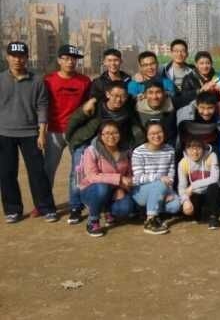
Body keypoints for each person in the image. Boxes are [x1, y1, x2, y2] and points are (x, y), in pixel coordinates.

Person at [65, 81, 142, 224]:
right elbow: (75, 120)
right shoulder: (96, 106)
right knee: (77, 174)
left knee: (109, 173)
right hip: (87, 142)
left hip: (111, 144)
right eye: (115, 95)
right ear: (107, 95)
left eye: (122, 96)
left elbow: (135, 127)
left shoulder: (127, 109)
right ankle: (75, 207)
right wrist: (71, 139)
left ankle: (107, 206)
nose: (118, 99)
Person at [0, 42, 58, 223]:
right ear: (7, 57)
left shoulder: (37, 80)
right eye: (13, 56)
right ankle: (13, 210)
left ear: (26, 58)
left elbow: (42, 106)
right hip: (4, 133)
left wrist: (42, 133)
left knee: (38, 173)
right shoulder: (1, 79)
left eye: (21, 56)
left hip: (31, 134)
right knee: (7, 173)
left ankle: (46, 208)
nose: (17, 60)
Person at [43, 45, 91, 215]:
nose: (70, 62)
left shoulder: (85, 81)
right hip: (54, 131)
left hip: (76, 132)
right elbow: (41, 106)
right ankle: (44, 204)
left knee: (78, 170)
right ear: (59, 60)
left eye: (73, 59)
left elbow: (88, 106)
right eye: (66, 58)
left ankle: (76, 204)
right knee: (48, 169)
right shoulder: (48, 81)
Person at [77, 121, 133, 237]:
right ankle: (93, 220)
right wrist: (119, 179)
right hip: (92, 190)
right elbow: (92, 176)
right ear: (100, 135)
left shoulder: (127, 151)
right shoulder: (91, 151)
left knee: (126, 208)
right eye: (107, 133)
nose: (111, 136)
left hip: (115, 190)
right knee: (102, 187)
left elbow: (130, 174)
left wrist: (122, 187)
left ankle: (107, 210)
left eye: (115, 133)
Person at [128, 122, 181, 235]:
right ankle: (150, 220)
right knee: (159, 184)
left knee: (175, 205)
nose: (156, 136)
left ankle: (150, 208)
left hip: (162, 188)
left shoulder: (170, 150)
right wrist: (159, 178)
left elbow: (171, 175)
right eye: (152, 133)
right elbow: (138, 178)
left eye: (159, 132)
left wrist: (168, 191)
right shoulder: (138, 152)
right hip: (141, 191)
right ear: (146, 135)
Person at [176, 90, 220, 189]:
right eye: (202, 108)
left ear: (216, 107)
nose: (206, 112)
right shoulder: (187, 113)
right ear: (197, 106)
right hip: (190, 144)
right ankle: (181, 188)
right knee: (180, 160)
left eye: (210, 108)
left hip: (209, 144)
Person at [178, 138, 220, 230]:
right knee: (188, 213)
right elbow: (182, 186)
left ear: (203, 147)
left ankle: (214, 217)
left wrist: (193, 185)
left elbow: (214, 179)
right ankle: (202, 212)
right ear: (186, 149)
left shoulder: (211, 156)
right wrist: (185, 200)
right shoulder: (183, 163)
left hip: (211, 193)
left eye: (198, 147)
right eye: (191, 148)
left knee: (214, 186)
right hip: (196, 194)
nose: (195, 152)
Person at [135, 80, 177, 145]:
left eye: (158, 92)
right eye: (150, 93)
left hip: (168, 146)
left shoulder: (173, 105)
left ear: (164, 93)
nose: (154, 97)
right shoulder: (136, 108)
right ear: (145, 95)